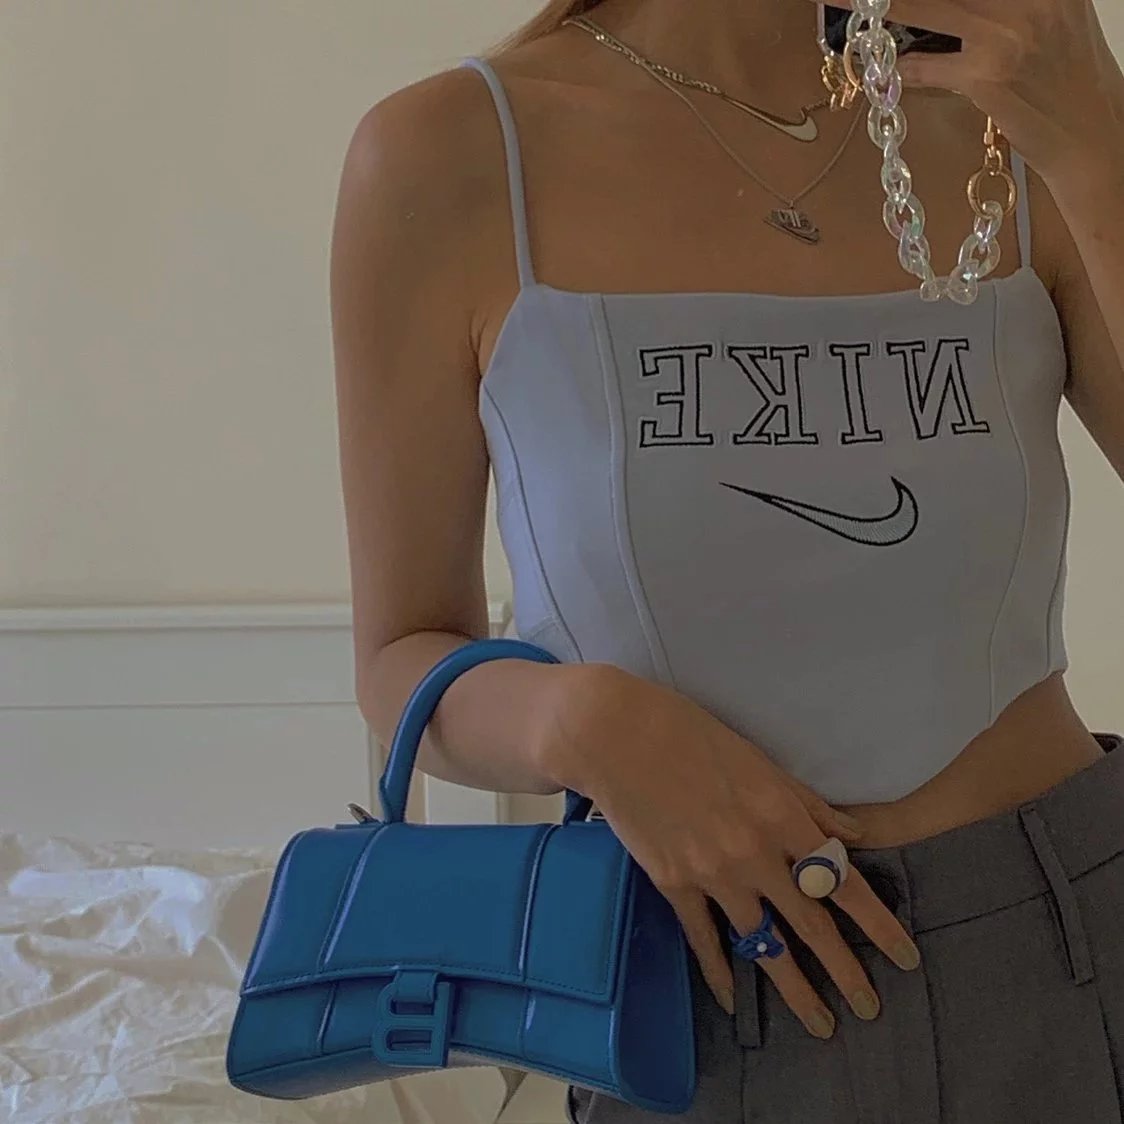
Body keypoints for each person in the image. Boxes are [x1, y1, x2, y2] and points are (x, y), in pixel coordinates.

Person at [329, 0, 1124, 1119]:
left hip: (1065, 940)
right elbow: (399, 655)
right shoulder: (449, 152)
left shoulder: (1015, 113)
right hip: (690, 985)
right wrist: (587, 725)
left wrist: (1096, 140)